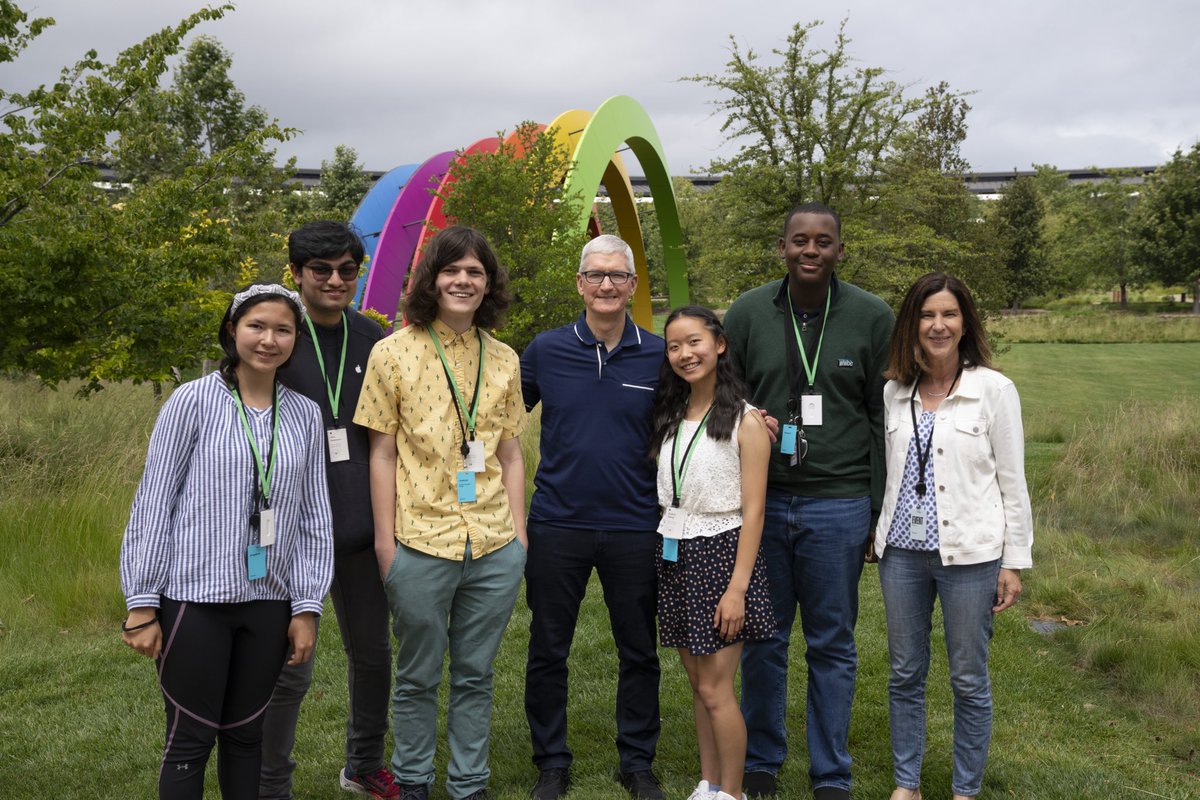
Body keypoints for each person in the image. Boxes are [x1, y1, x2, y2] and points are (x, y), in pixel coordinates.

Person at [120, 284, 334, 800]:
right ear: (232, 330)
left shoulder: (305, 415)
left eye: (283, 329)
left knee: (246, 737)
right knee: (190, 739)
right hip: (195, 598)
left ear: (295, 340)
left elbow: (313, 517)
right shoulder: (191, 401)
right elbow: (154, 502)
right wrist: (142, 603)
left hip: (268, 601)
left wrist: (306, 607)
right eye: (257, 326)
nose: (269, 339)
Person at [723, 202, 894, 800]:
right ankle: (762, 761)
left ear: (840, 250)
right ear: (783, 248)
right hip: (762, 506)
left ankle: (830, 773)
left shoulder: (872, 317)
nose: (811, 251)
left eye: (824, 241)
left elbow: (882, 416)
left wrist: (877, 510)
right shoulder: (746, 313)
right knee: (764, 638)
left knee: (831, 642)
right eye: (800, 241)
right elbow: (728, 402)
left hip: (839, 505)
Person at [354, 226, 528, 800]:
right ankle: (413, 782)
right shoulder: (391, 351)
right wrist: (386, 544)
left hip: (494, 545)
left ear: (488, 284)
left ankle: (469, 784)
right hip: (418, 541)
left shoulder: (503, 357)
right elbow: (379, 454)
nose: (463, 280)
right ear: (431, 278)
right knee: (417, 676)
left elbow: (509, 452)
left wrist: (520, 539)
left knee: (476, 675)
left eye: (475, 272)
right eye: (452, 270)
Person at [871, 272, 1032, 800]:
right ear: (911, 325)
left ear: (965, 323)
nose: (938, 325)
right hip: (902, 556)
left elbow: (1013, 481)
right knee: (905, 674)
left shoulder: (993, 389)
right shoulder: (896, 391)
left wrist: (1014, 561)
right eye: (926, 315)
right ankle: (907, 784)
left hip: (972, 556)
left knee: (968, 679)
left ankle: (966, 789)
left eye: (949, 314)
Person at [520, 234, 665, 800]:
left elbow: (704, 410)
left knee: (639, 649)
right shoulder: (545, 350)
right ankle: (551, 762)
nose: (607, 285)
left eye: (618, 276)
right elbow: (502, 422)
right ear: (580, 284)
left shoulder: (658, 354)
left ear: (632, 286)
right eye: (596, 275)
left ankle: (637, 762)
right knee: (548, 646)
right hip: (558, 522)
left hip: (636, 524)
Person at [258, 222, 396, 800]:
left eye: (347, 269)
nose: (335, 280)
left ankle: (362, 765)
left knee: (374, 656)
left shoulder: (374, 338)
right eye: (321, 270)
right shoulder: (278, 335)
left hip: (362, 527)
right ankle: (270, 784)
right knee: (289, 667)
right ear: (297, 274)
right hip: (290, 534)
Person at [649, 306, 776, 800]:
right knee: (699, 687)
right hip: (676, 553)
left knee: (717, 690)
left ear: (719, 345)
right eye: (675, 346)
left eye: (695, 342)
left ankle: (735, 793)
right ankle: (710, 783)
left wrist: (737, 588)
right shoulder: (672, 414)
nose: (685, 354)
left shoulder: (744, 421)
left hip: (722, 556)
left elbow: (755, 511)